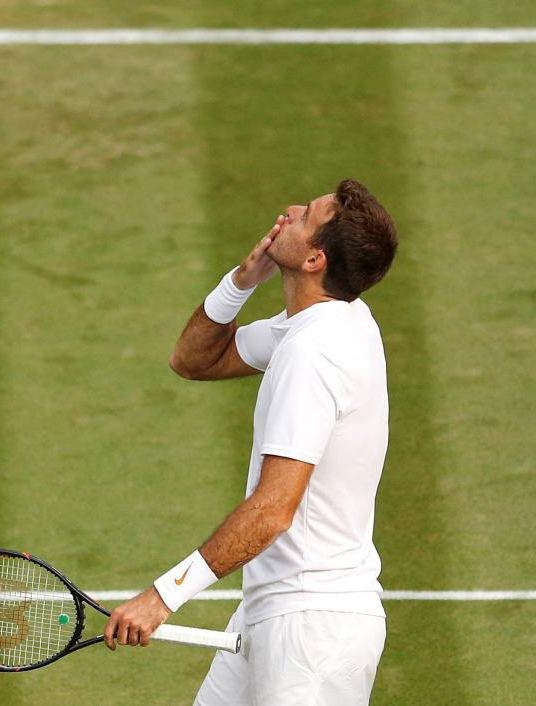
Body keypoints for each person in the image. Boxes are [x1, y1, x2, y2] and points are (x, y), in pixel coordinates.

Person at [103, 179, 398, 705]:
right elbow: (193, 360)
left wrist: (162, 597)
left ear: (314, 260)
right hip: (276, 612)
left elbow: (272, 510)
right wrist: (242, 281)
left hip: (311, 637)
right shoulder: (328, 321)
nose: (289, 211)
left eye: (305, 216)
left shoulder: (315, 356)